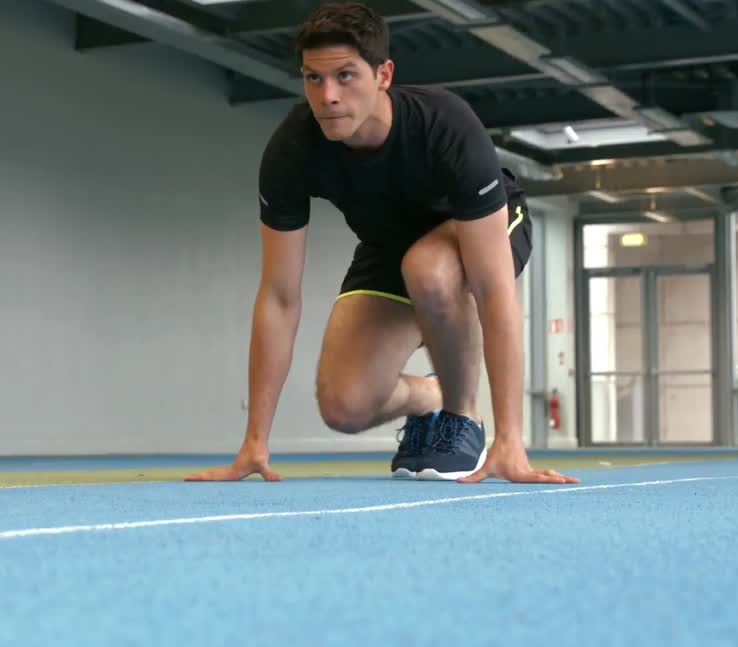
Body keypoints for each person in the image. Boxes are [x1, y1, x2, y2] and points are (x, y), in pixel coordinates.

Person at [186, 2, 577, 485]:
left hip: (485, 227)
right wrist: (254, 442)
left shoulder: (445, 124)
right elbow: (279, 297)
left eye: (345, 76)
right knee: (344, 405)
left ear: (383, 74)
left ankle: (462, 417)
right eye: (313, 79)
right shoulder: (293, 149)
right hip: (389, 246)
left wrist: (511, 443)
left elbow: (495, 292)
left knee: (429, 269)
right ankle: (433, 397)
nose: (327, 96)